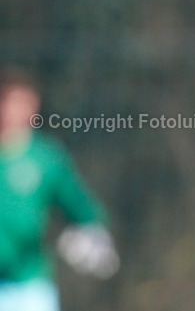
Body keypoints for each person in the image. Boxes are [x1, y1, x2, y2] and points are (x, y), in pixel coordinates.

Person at [0, 70, 119, 311]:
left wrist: (91, 236)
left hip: (28, 287)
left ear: (32, 105)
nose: (8, 111)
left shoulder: (46, 159)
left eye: (16, 102)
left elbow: (84, 210)